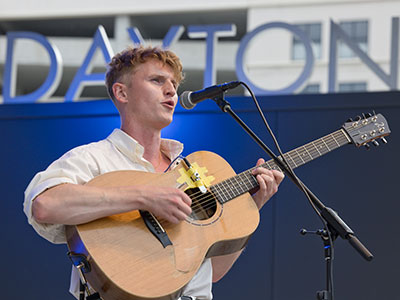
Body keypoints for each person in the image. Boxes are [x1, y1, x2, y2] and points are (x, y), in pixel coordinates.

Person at [23, 45, 284, 300]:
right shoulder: (92, 158)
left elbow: (212, 273)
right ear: (122, 93)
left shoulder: (187, 169)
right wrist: (144, 197)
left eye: (173, 83)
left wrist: (253, 205)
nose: (171, 90)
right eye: (157, 80)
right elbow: (45, 205)